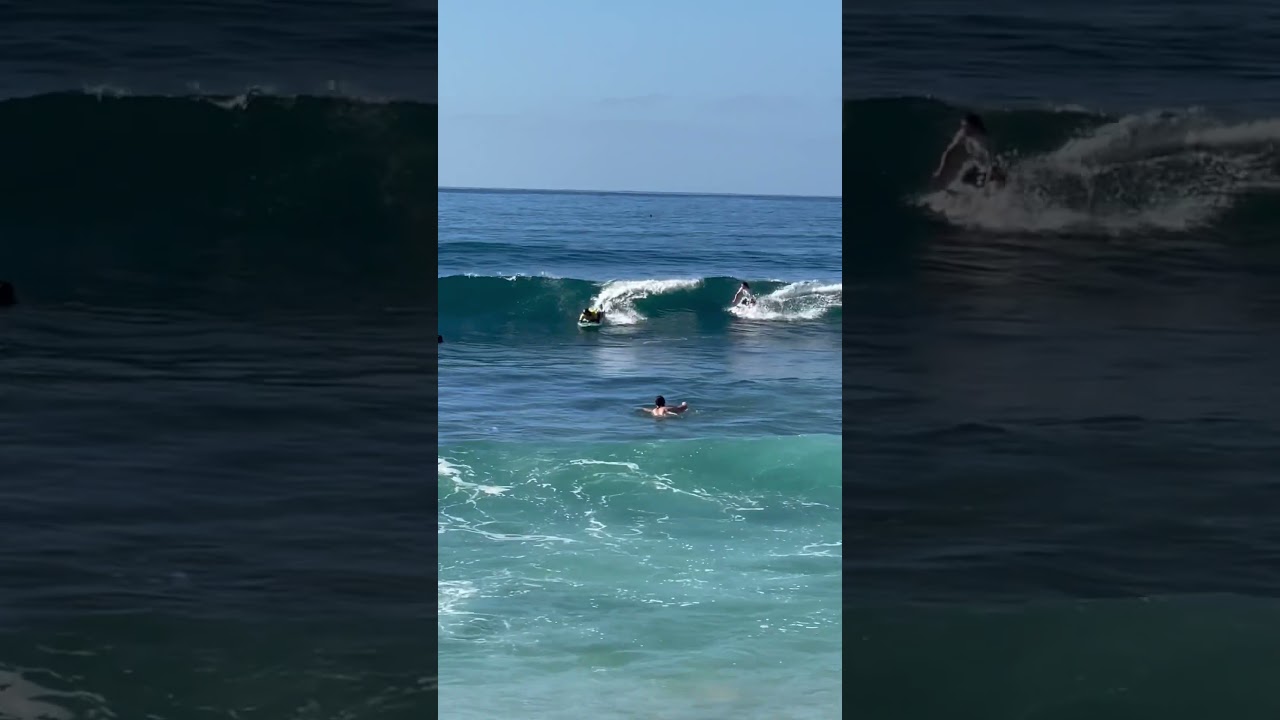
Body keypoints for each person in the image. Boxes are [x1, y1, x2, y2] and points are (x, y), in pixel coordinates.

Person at [931, 113, 1006, 189]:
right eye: (963, 126)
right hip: (978, 166)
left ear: (974, 127)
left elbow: (991, 165)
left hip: (993, 169)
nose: (963, 129)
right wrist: (940, 172)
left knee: (982, 182)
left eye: (966, 126)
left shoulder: (984, 142)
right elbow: (949, 152)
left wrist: (986, 188)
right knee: (964, 179)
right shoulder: (963, 134)